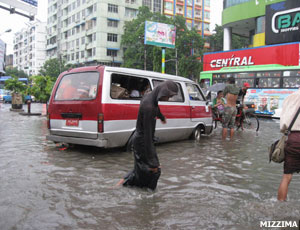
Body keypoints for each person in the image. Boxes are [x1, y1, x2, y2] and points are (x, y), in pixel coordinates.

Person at [116, 80, 178, 190]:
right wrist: (153, 161)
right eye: (168, 96)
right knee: (154, 171)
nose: (167, 99)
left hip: (140, 139)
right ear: (162, 92)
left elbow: (156, 107)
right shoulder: (149, 107)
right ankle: (147, 196)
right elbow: (148, 136)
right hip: (142, 142)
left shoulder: (150, 97)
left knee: (140, 169)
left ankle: (121, 184)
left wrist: (161, 116)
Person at [277, 88, 300, 201]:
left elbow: (283, 125)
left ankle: (280, 207)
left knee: (287, 176)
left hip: (293, 139)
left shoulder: (288, 98)